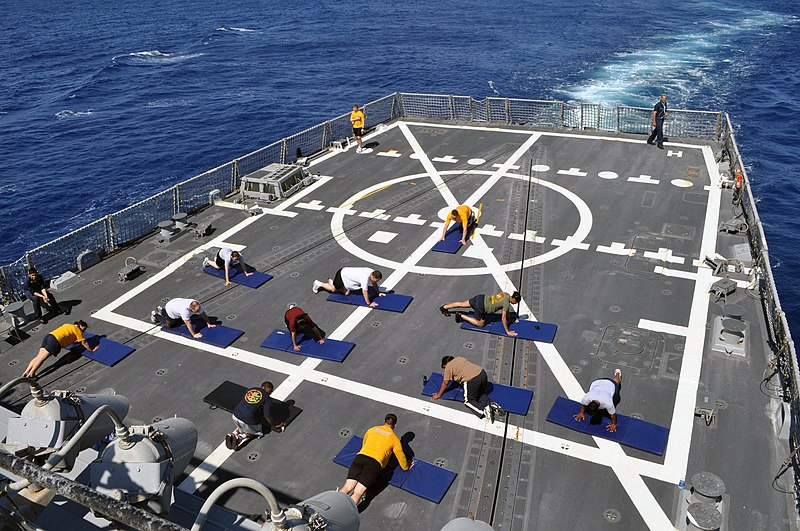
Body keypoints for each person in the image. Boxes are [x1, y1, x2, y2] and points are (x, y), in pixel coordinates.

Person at [339, 413, 413, 506]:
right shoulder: (395, 439)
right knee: (358, 492)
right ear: (395, 425)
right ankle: (346, 513)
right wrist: (406, 467)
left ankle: (334, 505)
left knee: (347, 487)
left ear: (384, 422)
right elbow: (401, 457)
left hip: (360, 457)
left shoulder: (372, 429)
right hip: (374, 464)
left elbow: (364, 443)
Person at [432, 356, 505, 422]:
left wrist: (439, 394)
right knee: (478, 394)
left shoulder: (448, 367)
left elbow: (445, 382)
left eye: (444, 368)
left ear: (445, 364)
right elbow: (460, 370)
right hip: (482, 374)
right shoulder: (459, 358)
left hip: (472, 380)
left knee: (468, 401)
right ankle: (492, 404)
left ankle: (484, 410)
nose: (445, 370)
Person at [22, 320, 97, 378]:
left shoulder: (68, 325)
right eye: (83, 329)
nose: (83, 331)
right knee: (43, 358)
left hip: (49, 336)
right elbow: (84, 342)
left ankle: (26, 371)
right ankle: (31, 374)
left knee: (38, 356)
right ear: (80, 325)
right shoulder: (78, 330)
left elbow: (67, 335)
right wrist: (92, 350)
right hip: (55, 341)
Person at [226, 381, 285, 451]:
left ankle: (233, 434)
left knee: (243, 426)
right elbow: (268, 417)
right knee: (255, 432)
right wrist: (275, 425)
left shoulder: (252, 389)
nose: (270, 393)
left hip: (235, 414)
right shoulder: (267, 400)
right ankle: (240, 438)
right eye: (271, 391)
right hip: (247, 420)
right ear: (267, 388)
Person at [439, 291, 521, 336]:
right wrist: (507, 331)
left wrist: (510, 318)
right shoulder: (506, 303)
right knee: (481, 324)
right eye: (516, 302)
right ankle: (461, 316)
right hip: (481, 307)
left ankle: (444, 307)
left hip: (481, 297)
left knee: (462, 304)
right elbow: (503, 318)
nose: (515, 304)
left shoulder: (506, 294)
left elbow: (506, 311)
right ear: (513, 299)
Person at [312, 267, 386, 308]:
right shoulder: (365, 278)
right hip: (342, 275)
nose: (376, 282)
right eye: (376, 280)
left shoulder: (372, 272)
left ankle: (332, 282)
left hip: (347, 277)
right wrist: (369, 303)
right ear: (373, 276)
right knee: (333, 289)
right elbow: (364, 291)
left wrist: (378, 293)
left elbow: (374, 284)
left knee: (347, 293)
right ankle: (318, 283)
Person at [150, 298, 216, 338]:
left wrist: (209, 323)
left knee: (181, 321)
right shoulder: (185, 311)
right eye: (196, 311)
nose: (198, 311)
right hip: (170, 309)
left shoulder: (196, 304)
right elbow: (188, 324)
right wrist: (194, 334)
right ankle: (156, 316)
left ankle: (162, 310)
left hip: (175, 303)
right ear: (190, 309)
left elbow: (203, 314)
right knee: (170, 325)